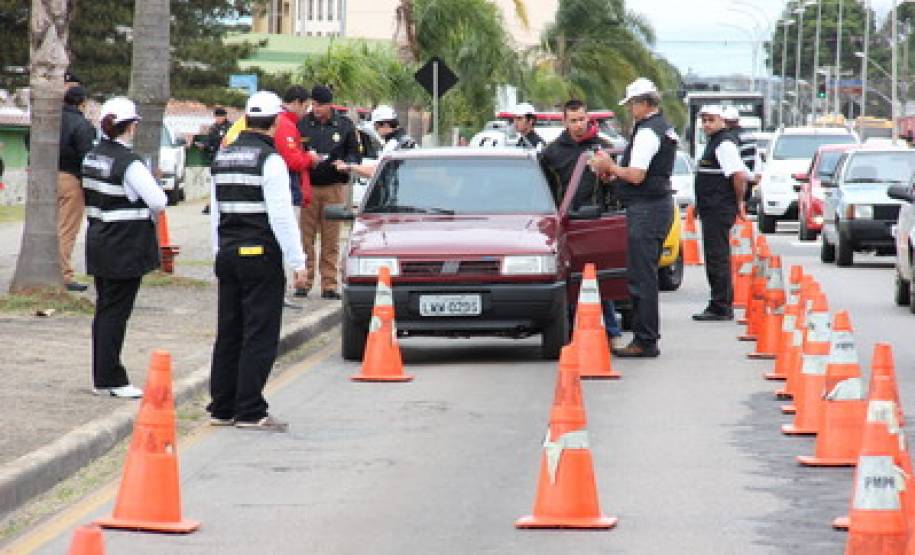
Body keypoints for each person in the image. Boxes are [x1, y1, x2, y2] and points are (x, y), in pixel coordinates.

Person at [207, 91, 308, 432]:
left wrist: (217, 251)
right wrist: (298, 261)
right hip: (260, 257)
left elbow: (215, 213)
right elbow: (281, 217)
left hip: (228, 254)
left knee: (229, 332)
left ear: (247, 119)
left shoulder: (223, 157)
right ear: (276, 121)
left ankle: (222, 407)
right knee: (259, 334)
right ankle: (250, 410)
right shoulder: (270, 160)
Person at [81, 97, 167, 398]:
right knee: (115, 314)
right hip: (125, 246)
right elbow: (159, 201)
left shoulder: (92, 157)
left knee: (106, 311)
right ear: (130, 127)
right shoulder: (129, 162)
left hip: (99, 240)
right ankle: (111, 379)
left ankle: (102, 376)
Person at [590, 78, 677, 358]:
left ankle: (645, 340)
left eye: (632, 104)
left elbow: (637, 175)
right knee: (645, 275)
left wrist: (610, 166)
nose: (630, 110)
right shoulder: (660, 128)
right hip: (654, 206)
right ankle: (645, 337)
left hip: (647, 209)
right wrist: (616, 174)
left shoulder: (648, 132)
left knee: (642, 278)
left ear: (645, 103)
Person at [540, 99, 623, 348]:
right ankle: (568, 336)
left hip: (595, 223)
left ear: (588, 118)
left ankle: (612, 333)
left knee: (599, 280)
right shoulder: (552, 153)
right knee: (566, 282)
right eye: (573, 120)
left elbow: (617, 185)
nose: (579, 125)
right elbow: (545, 190)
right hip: (564, 224)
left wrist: (609, 178)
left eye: (582, 119)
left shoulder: (602, 147)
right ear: (564, 121)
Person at [297, 85, 360, 300]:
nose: (316, 109)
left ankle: (329, 284)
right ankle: (303, 281)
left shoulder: (344, 125)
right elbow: (295, 151)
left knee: (331, 239)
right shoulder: (303, 124)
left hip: (334, 187)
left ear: (330, 105)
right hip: (309, 187)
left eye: (320, 105)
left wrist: (346, 163)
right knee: (306, 238)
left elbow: (355, 154)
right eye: (313, 104)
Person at [691, 105, 749, 321]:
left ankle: (721, 305)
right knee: (714, 255)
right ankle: (719, 303)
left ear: (722, 121)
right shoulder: (714, 142)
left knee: (717, 257)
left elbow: (738, 175)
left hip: (719, 208)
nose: (706, 124)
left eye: (711, 120)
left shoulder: (724, 144)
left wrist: (738, 201)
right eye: (704, 120)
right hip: (711, 207)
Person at [276, 85, 317, 300]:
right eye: (306, 105)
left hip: (290, 189)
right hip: (287, 191)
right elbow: (293, 161)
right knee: (287, 239)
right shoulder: (285, 124)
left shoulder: (285, 122)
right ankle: (280, 288)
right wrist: (310, 158)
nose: (307, 111)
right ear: (297, 102)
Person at [58, 86, 95, 292]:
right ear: (82, 103)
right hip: (70, 178)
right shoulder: (81, 125)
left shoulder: (50, 119)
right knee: (67, 229)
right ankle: (64, 274)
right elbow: (86, 156)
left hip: (44, 176)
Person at [345, 105, 416, 179]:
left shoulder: (393, 145)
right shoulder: (405, 139)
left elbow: (375, 172)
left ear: (386, 125)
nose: (375, 130)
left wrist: (350, 167)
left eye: (376, 126)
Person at [197, 107, 232, 215]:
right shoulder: (213, 128)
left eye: (220, 116)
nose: (218, 119)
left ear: (225, 116)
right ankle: (211, 205)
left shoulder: (230, 127)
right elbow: (209, 141)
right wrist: (203, 145)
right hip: (215, 160)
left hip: (227, 160)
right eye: (216, 117)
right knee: (214, 183)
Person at [723, 106, 758, 205]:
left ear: (726, 121)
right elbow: (756, 159)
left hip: (736, 182)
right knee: (744, 206)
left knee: (736, 207)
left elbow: (735, 162)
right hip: (749, 180)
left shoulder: (730, 138)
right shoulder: (750, 136)